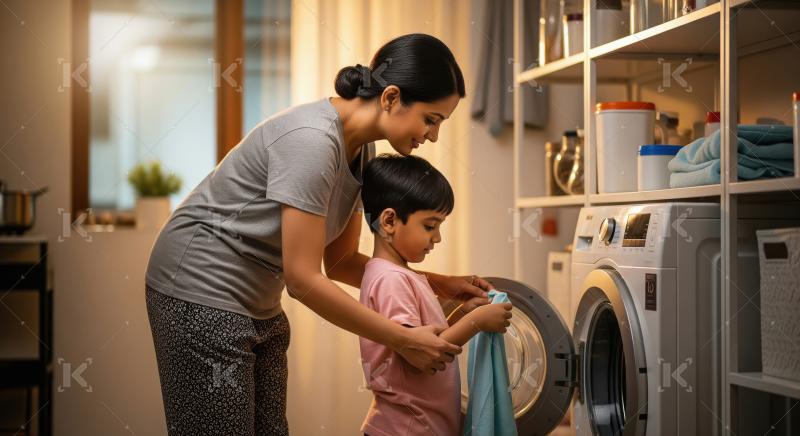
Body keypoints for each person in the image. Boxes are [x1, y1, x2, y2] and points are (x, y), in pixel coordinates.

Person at [144, 33, 494, 435]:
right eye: (431, 119)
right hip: (197, 284)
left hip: (257, 299)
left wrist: (440, 285)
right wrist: (402, 339)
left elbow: (340, 262)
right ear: (391, 98)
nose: (432, 135)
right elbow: (302, 279)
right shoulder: (312, 142)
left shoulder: (362, 151)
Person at [358, 154, 513, 436]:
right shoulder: (391, 280)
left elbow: (425, 340)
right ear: (390, 221)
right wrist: (477, 322)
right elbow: (419, 355)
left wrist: (463, 315)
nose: (437, 238)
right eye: (430, 226)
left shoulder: (399, 275)